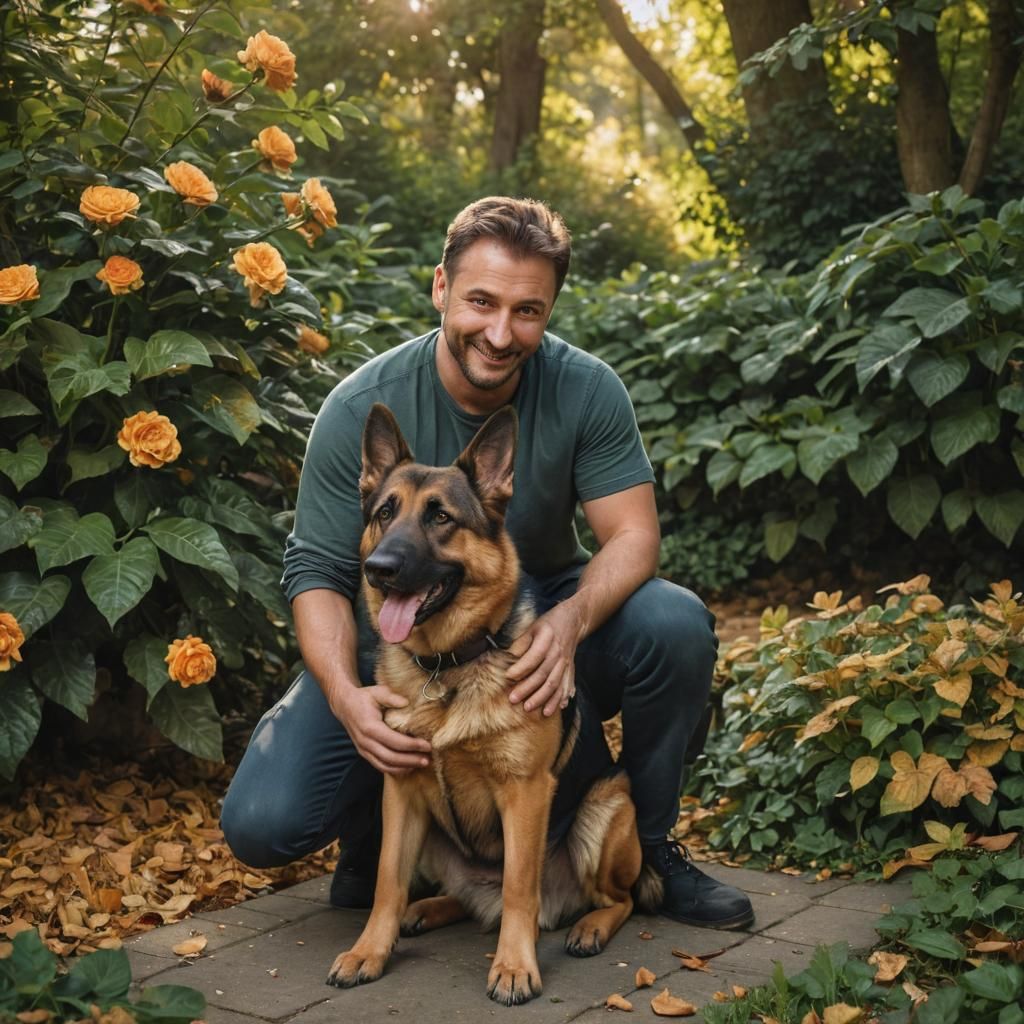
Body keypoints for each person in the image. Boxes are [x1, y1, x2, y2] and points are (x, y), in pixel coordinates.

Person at [221, 196, 754, 930]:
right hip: (404, 637)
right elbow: (314, 571)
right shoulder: (361, 407)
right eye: (480, 301)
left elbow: (632, 536)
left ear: (550, 310)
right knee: (262, 821)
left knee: (673, 622)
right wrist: (347, 698)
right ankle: (380, 837)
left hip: (542, 616)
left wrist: (568, 625)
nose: (501, 333)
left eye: (528, 311)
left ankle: (653, 848)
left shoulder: (586, 388)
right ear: (441, 289)